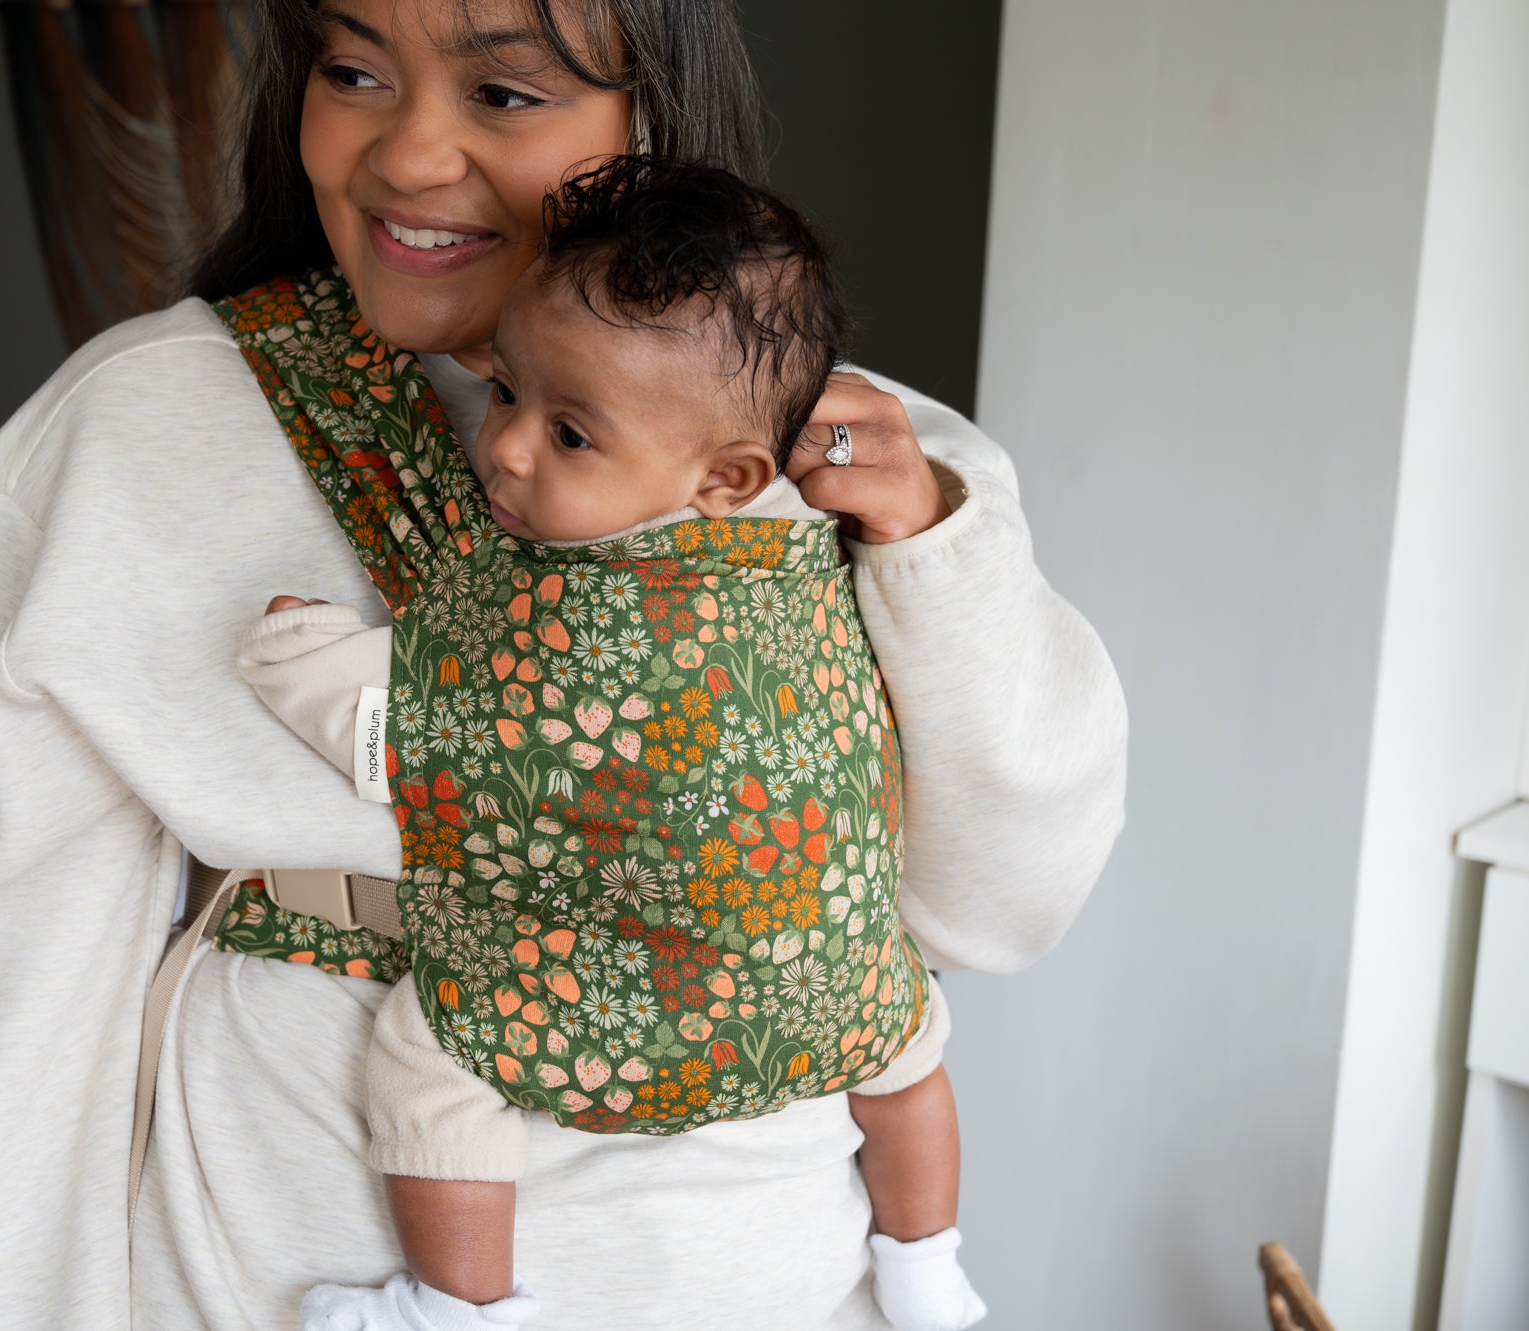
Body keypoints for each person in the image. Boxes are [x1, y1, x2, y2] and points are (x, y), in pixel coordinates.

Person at [0, 1, 1128, 1327]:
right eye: (353, 71)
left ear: (654, 114)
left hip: (757, 1271)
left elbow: (997, 906)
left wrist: (928, 549)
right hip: (275, 1257)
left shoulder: (849, 462)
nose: (406, 154)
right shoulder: (140, 425)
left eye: (505, 94)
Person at [240, 155, 984, 1331]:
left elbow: (420, 738)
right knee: (907, 1062)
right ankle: (926, 1263)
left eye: (571, 434)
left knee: (428, 1058)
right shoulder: (805, 533)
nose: (508, 448)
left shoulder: (569, 608)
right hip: (834, 972)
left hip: (627, 999)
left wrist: (299, 652)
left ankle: (457, 1304)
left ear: (721, 476)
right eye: (506, 395)